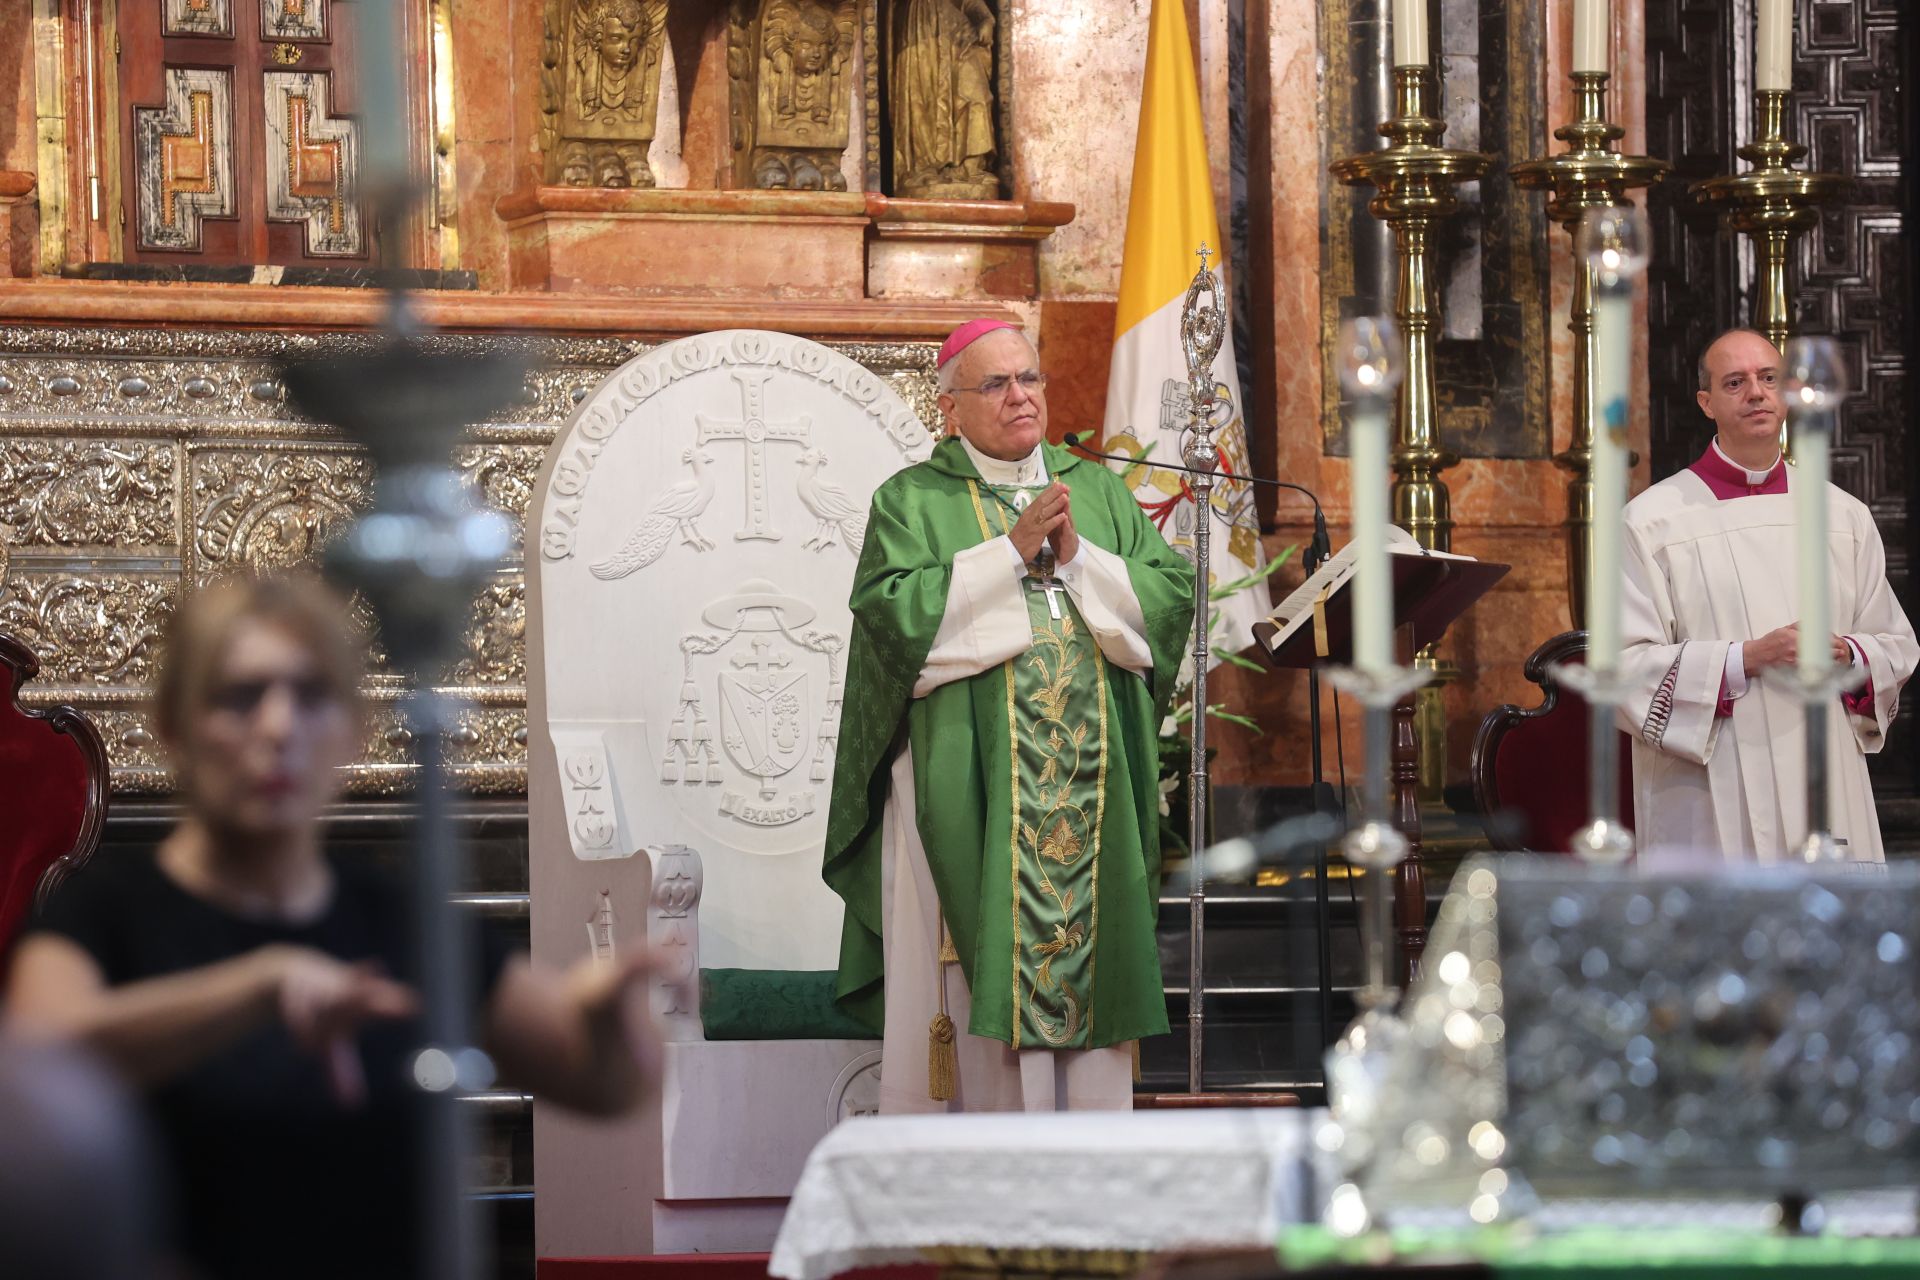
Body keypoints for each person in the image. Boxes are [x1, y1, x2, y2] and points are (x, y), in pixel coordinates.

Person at [5, 574, 661, 1280]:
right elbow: (35, 1068)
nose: (279, 727)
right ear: (175, 726)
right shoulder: (108, 909)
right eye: (240, 697)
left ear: (352, 731)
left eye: (311, 697)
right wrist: (262, 984)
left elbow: (606, 1088)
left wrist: (605, 1020)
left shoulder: (394, 919)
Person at [823, 318, 1194, 1113]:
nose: (1020, 396)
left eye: (1030, 377)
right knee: (969, 978)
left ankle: (1092, 1180)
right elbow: (890, 626)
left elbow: (1166, 601)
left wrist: (1081, 559)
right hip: (967, 791)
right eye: (995, 383)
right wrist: (1007, 553)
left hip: (1092, 801)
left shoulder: (1093, 490)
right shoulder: (913, 501)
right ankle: (972, 1174)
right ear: (949, 406)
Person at [1619, 328, 1918, 860]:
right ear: (1706, 403)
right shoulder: (1652, 521)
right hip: (1711, 783)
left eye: (1768, 378)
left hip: (1826, 770)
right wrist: (1744, 659)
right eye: (1735, 382)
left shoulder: (1842, 515)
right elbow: (1623, 668)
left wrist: (1851, 653)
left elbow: (1894, 642)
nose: (1756, 393)